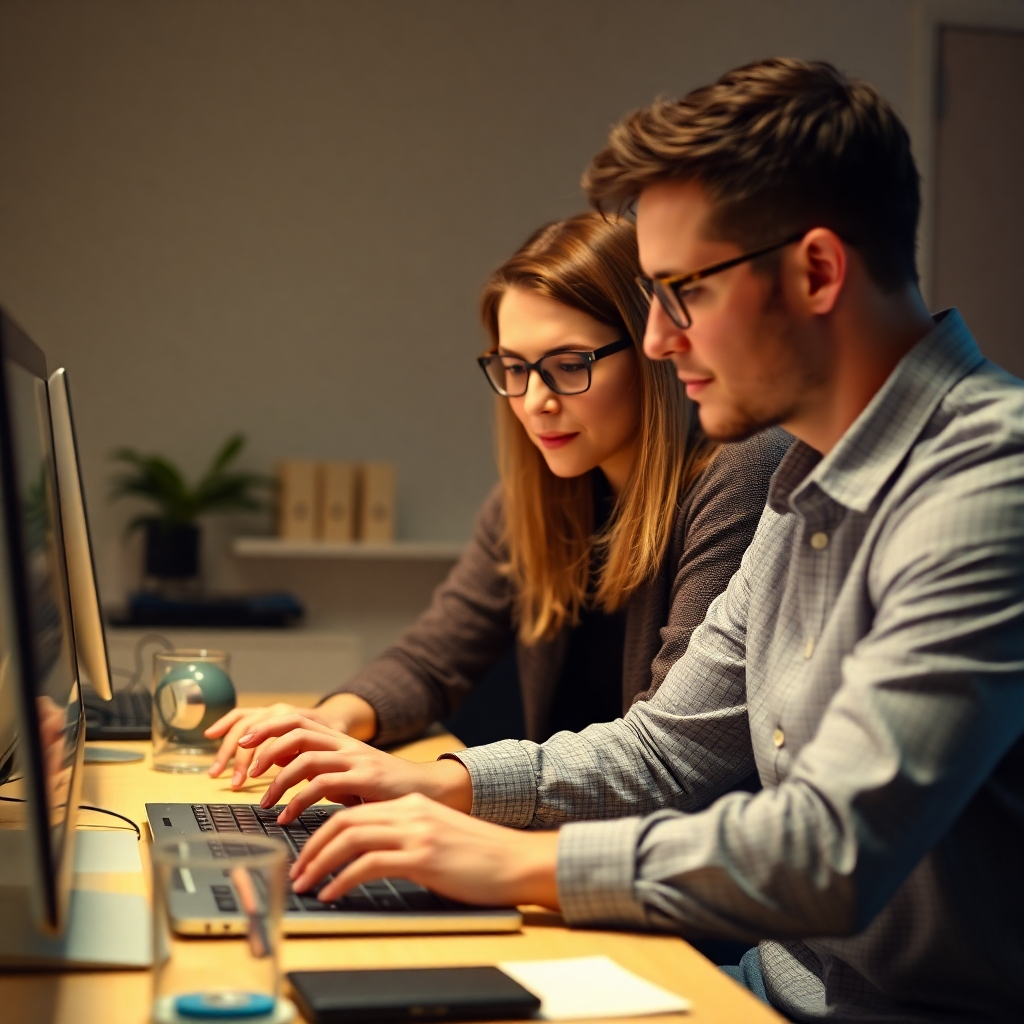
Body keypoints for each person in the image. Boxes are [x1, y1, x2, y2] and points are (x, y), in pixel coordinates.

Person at [236, 59, 1024, 1023]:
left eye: (681, 292)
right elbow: (661, 751)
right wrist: (440, 789)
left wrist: (516, 860)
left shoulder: (993, 484)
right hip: (765, 987)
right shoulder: (803, 477)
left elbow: (830, 855)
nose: (654, 341)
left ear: (817, 270)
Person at [207, 211, 788, 786]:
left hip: (647, 849)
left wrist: (439, 784)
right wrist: (330, 721)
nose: (535, 400)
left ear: (651, 352)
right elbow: (433, 659)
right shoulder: (535, 499)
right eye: (514, 368)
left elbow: (667, 756)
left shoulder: (736, 474)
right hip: (552, 831)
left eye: (567, 365)